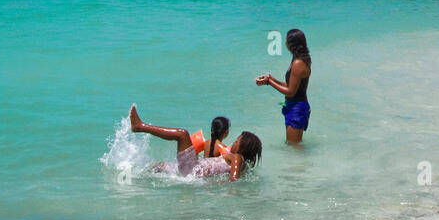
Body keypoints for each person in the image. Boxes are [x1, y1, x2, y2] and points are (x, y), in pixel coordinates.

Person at [127, 105, 261, 180]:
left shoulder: (237, 158)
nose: (234, 142)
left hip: (192, 170)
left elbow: (233, 180)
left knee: (182, 134)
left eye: (237, 141)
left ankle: (140, 126)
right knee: (160, 166)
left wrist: (211, 187)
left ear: (243, 147)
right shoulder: (238, 160)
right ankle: (135, 176)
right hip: (193, 170)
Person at [256, 28, 312, 145]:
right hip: (293, 106)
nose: (285, 43)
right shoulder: (297, 59)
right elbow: (290, 85)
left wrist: (270, 83)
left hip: (297, 108)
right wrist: (270, 80)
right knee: (292, 145)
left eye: (286, 40)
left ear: (292, 44)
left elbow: (290, 91)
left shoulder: (298, 63)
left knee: (294, 147)